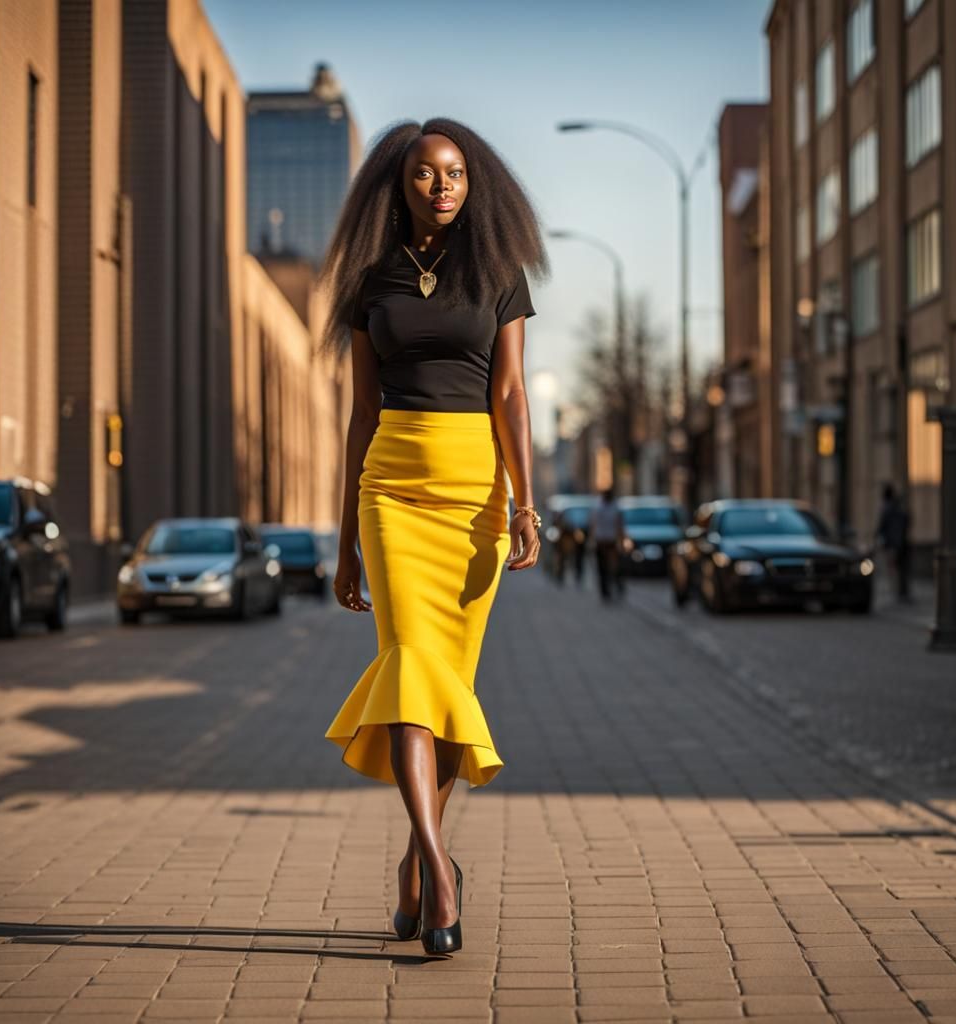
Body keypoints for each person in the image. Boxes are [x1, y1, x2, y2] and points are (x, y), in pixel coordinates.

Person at [318, 119, 548, 956]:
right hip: (392, 490)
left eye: (453, 173)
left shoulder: (498, 273)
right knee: (412, 661)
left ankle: (417, 862)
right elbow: (359, 415)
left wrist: (525, 504)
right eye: (424, 174)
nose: (441, 186)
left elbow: (514, 397)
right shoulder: (369, 281)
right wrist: (344, 543)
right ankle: (445, 872)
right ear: (399, 184)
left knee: (445, 689)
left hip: (474, 490)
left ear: (472, 183)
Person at [876, 482, 911, 602]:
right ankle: (901, 591)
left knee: (893, 567)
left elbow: (882, 526)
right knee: (901, 568)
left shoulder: (886, 509)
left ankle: (896, 591)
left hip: (891, 543)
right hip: (901, 541)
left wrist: (879, 538)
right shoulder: (899, 508)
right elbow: (907, 520)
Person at [591, 489, 625, 602]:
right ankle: (605, 590)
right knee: (603, 567)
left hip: (610, 541)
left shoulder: (614, 507)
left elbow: (619, 524)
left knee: (613, 567)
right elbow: (594, 523)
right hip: (603, 541)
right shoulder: (599, 507)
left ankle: (616, 586)